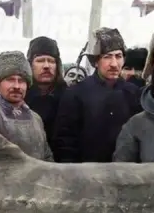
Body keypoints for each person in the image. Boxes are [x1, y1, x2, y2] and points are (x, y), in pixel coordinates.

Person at [52, 27, 140, 163]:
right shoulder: (76, 94)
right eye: (107, 57)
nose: (114, 64)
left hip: (124, 171)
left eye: (118, 56)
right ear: (96, 61)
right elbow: (65, 142)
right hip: (87, 172)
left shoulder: (133, 93)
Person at [0, 51, 53, 161]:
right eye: (10, 80)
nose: (17, 86)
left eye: (21, 81)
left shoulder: (36, 119)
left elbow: (47, 157)